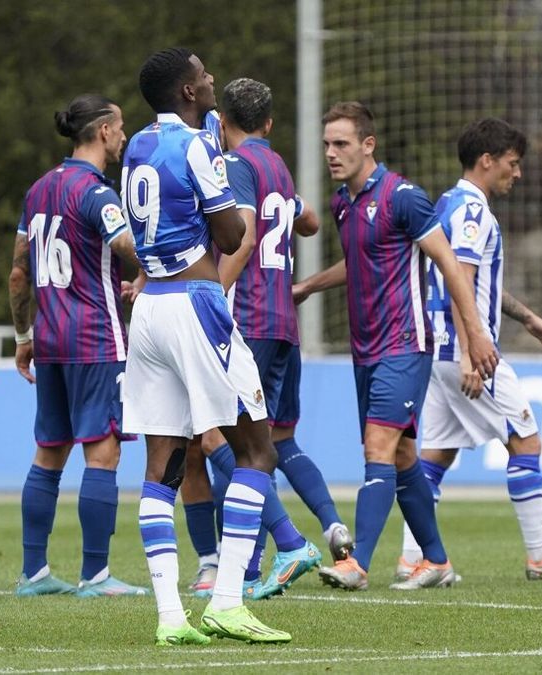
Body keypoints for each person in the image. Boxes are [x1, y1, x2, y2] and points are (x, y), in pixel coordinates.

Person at [121, 46, 291, 644]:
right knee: (257, 452)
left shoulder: (136, 145)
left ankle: (171, 618)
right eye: (202, 74)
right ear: (188, 92)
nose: (212, 78)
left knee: (160, 469)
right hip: (196, 305)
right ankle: (226, 602)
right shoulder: (196, 145)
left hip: (149, 312)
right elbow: (233, 231)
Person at [294, 101, 499, 591]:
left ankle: (356, 563)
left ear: (369, 145)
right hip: (365, 349)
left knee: (378, 447)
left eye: (341, 143)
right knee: (404, 456)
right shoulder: (344, 203)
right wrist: (307, 287)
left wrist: (475, 335)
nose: (330, 153)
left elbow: (450, 265)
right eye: (326, 144)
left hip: (405, 343)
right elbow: (359, 263)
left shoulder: (404, 197)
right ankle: (437, 560)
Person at [396, 118, 542, 584]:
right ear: (487, 161)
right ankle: (540, 555)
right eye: (512, 163)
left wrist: (527, 318)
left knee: (435, 455)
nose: (518, 173)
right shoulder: (472, 212)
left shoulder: (446, 203)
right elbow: (461, 279)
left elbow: (473, 280)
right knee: (526, 440)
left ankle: (414, 557)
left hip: (438, 349)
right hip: (466, 351)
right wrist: (474, 353)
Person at [189, 77, 352, 600]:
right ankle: (315, 535)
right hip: (285, 320)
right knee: (275, 440)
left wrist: (213, 293)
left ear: (223, 121)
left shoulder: (234, 166)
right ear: (269, 123)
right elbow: (306, 219)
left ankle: (275, 549)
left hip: (250, 318)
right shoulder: (276, 165)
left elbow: (244, 233)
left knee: (226, 441)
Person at [8, 94, 149, 599]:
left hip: (49, 339)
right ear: (105, 131)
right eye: (122, 128)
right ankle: (96, 575)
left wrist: (24, 336)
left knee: (48, 453)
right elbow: (123, 243)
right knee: (103, 454)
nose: (125, 137)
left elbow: (20, 273)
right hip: (95, 337)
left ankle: (34, 573)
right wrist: (150, 268)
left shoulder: (39, 190)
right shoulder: (97, 193)